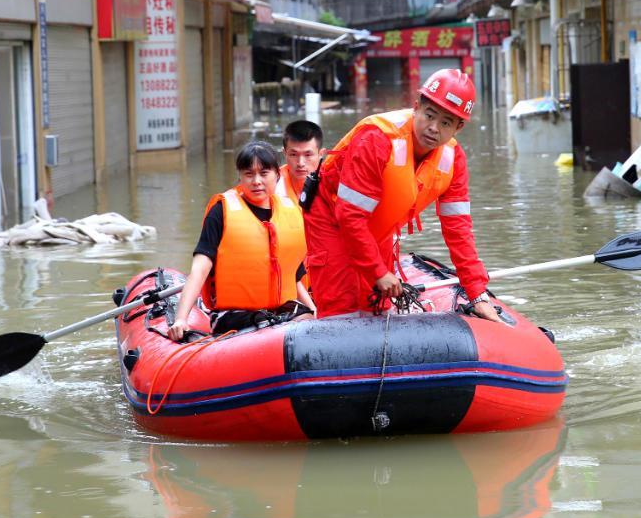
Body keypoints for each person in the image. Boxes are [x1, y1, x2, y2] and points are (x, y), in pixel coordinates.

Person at [303, 68, 502, 321]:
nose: (433, 128)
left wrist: (477, 295)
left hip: (378, 226)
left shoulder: (454, 160)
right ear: (416, 107)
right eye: (429, 115)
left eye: (445, 123)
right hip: (330, 217)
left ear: (458, 127)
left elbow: (459, 230)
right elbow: (349, 215)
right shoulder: (377, 139)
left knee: (378, 309)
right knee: (341, 309)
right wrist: (378, 271)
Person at [168, 141, 314, 341]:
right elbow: (200, 269)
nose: (256, 181)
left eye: (263, 174)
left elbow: (294, 275)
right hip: (234, 315)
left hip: (280, 310)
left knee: (307, 320)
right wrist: (181, 319)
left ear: (277, 176)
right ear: (240, 176)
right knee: (271, 326)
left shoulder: (291, 212)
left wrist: (314, 311)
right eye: (248, 174)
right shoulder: (221, 212)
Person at [275, 119, 324, 202]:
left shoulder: (333, 184)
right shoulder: (271, 185)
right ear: (284, 153)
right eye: (293, 154)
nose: (301, 163)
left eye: (308, 155)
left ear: (321, 154)